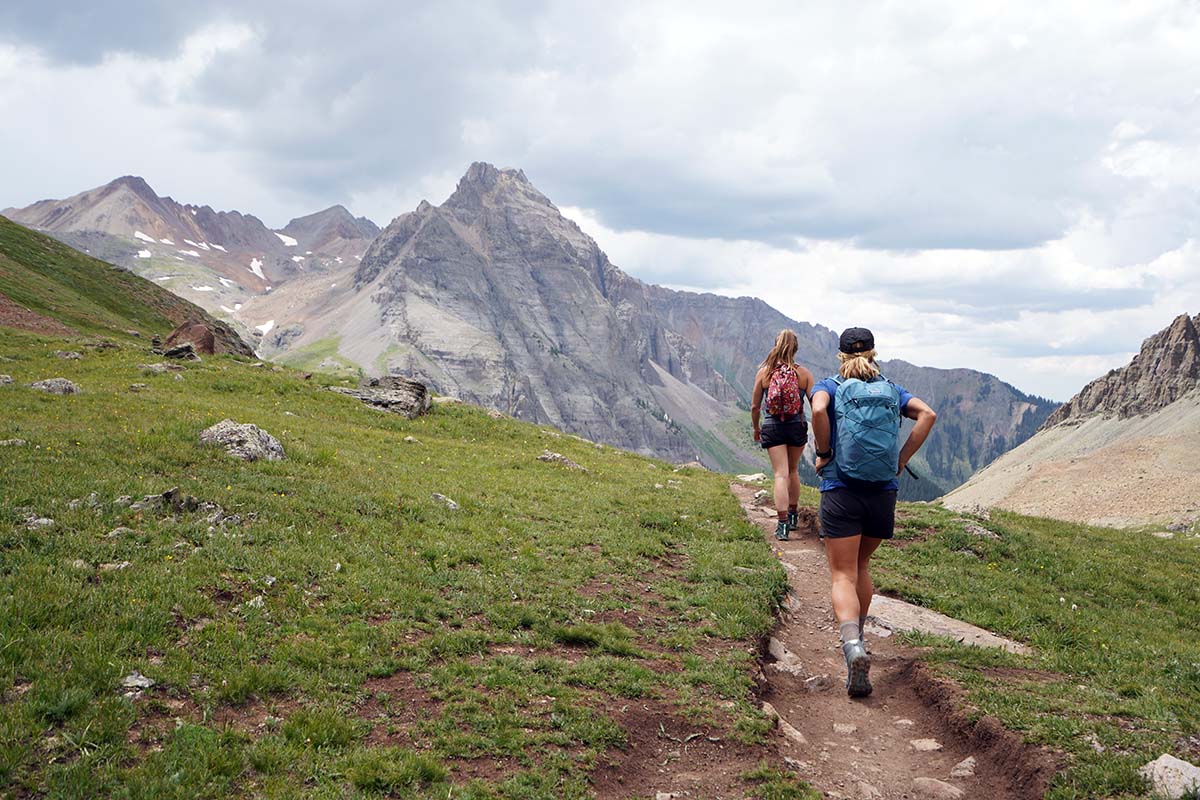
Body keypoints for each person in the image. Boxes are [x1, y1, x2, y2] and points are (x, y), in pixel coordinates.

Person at [810, 327, 937, 697]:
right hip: (882, 491)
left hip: (841, 489)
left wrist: (823, 452)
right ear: (874, 353)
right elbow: (927, 414)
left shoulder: (830, 386)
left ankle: (852, 647)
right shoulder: (892, 389)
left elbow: (818, 409)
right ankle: (862, 639)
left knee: (842, 575)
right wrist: (900, 460)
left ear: (841, 355)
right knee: (862, 568)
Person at [751, 330, 815, 541]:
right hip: (796, 425)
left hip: (772, 426)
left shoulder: (764, 373)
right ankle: (794, 516)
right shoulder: (804, 374)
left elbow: (755, 407)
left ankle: (782, 525)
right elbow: (816, 406)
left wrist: (756, 429)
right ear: (795, 349)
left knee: (780, 474)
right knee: (793, 470)